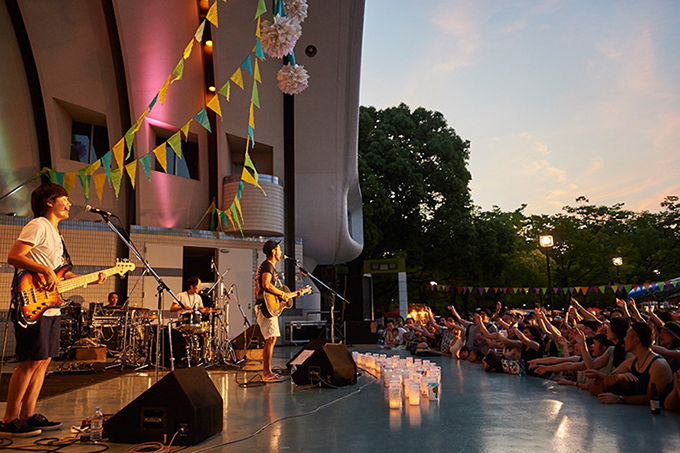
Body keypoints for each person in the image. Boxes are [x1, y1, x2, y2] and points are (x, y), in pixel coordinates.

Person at [2, 183, 106, 437]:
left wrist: (90, 278)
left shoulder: (57, 234)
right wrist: (44, 270)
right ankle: (9, 419)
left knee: (43, 361)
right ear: (50, 201)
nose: (69, 204)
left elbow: (61, 273)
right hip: (32, 302)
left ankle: (28, 415)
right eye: (65, 199)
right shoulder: (38, 225)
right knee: (29, 362)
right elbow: (14, 256)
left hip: (50, 306)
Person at [254, 239, 287, 383]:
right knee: (270, 338)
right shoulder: (268, 266)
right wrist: (281, 294)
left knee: (271, 338)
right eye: (279, 249)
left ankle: (268, 371)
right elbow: (266, 284)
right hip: (264, 307)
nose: (281, 252)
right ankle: (266, 373)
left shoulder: (269, 266)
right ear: (274, 251)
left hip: (267, 305)